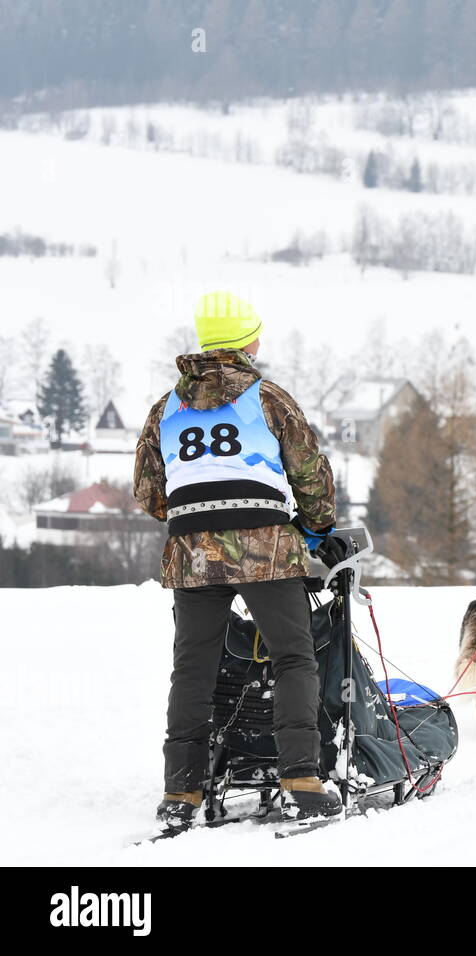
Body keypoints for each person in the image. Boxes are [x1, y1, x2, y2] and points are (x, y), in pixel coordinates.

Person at [133, 291, 342, 832]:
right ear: (251, 339)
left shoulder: (166, 408)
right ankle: (301, 780)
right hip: (267, 549)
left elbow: (148, 493)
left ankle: (179, 792)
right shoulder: (268, 397)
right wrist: (317, 528)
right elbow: (311, 474)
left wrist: (196, 519)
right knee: (294, 658)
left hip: (192, 553)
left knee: (193, 669)